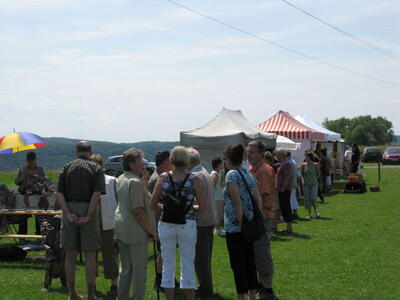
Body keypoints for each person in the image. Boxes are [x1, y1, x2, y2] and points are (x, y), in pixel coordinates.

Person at [149, 146, 206, 300]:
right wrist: (190, 207)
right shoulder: (194, 179)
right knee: (187, 263)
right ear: (187, 160)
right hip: (187, 223)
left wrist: (164, 206)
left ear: (172, 160)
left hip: (167, 224)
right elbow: (203, 207)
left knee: (168, 264)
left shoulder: (163, 177)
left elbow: (151, 205)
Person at [55, 141, 106, 300]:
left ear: (76, 152)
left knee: (70, 254)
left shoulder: (66, 167)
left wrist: (68, 213)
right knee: (90, 254)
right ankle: (91, 294)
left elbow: (59, 194)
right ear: (90, 152)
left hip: (69, 208)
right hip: (88, 208)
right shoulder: (96, 168)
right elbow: (96, 194)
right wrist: (89, 215)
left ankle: (72, 294)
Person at [114, 148, 158, 300]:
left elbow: (140, 195)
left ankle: (122, 297)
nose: (143, 165)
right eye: (140, 162)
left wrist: (144, 177)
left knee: (125, 268)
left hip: (122, 227)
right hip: (136, 230)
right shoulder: (134, 182)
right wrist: (151, 230)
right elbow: (138, 210)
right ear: (131, 164)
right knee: (139, 269)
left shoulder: (121, 178)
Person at [224, 143, 261, 300]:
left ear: (229, 158)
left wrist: (241, 223)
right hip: (250, 223)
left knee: (238, 265)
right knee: (250, 262)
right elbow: (257, 198)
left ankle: (241, 297)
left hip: (236, 227)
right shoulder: (247, 173)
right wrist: (253, 218)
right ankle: (253, 295)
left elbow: (236, 201)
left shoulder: (231, 174)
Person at [247, 141, 276, 300]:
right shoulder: (255, 170)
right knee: (257, 253)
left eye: (251, 152)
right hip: (258, 218)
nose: (248, 155)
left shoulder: (263, 171)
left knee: (262, 253)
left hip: (262, 218)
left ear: (260, 154)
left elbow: (263, 197)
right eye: (247, 152)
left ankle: (267, 290)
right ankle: (262, 287)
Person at [188, 148, 217, 298]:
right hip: (209, 219)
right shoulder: (204, 171)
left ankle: (205, 289)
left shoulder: (195, 176)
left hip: (202, 221)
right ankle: (206, 286)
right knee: (205, 257)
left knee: (200, 259)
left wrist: (185, 206)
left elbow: (198, 202)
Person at [89, 154, 119, 296]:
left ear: (102, 166)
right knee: (91, 252)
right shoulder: (86, 182)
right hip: (91, 220)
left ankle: (114, 283)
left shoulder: (112, 181)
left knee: (109, 252)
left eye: (97, 165)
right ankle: (92, 284)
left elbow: (118, 203)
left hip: (108, 220)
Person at [148, 150, 172, 292]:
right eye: (170, 161)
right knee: (163, 252)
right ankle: (160, 280)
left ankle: (164, 278)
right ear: (165, 163)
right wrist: (156, 228)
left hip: (160, 221)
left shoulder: (157, 176)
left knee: (164, 252)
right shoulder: (159, 178)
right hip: (159, 222)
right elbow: (154, 205)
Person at [15, 151, 49, 235]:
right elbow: (16, 182)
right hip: (24, 195)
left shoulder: (40, 169)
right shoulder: (22, 169)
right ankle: (22, 235)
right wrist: (22, 178)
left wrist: (36, 176)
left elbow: (46, 181)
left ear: (35, 160)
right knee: (23, 216)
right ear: (27, 161)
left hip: (37, 194)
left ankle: (38, 233)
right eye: (30, 161)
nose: (32, 163)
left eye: (33, 161)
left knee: (38, 215)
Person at [275, 149, 293, 234]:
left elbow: (288, 176)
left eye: (277, 155)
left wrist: (283, 188)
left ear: (281, 155)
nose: (276, 156)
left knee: (286, 207)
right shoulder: (283, 163)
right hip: (282, 189)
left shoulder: (286, 164)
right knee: (283, 207)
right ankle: (288, 227)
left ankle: (289, 227)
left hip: (284, 189)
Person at [301, 153, 320, 218]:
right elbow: (302, 174)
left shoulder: (315, 165)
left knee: (313, 198)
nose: (305, 158)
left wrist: (314, 179)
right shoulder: (303, 165)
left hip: (314, 183)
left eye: (306, 156)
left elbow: (318, 174)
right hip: (306, 184)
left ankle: (316, 211)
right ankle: (309, 213)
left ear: (309, 157)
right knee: (307, 199)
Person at [210, 157, 225, 237]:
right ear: (218, 164)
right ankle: (217, 230)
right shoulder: (215, 174)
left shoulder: (217, 173)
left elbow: (220, 185)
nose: (223, 164)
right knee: (218, 214)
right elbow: (212, 186)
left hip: (219, 197)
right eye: (221, 163)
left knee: (219, 213)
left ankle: (218, 229)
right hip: (217, 198)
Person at [287, 152, 299, 219]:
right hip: (294, 182)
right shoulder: (293, 161)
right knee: (293, 198)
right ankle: (295, 213)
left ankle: (292, 214)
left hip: (290, 183)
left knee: (291, 199)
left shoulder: (289, 162)